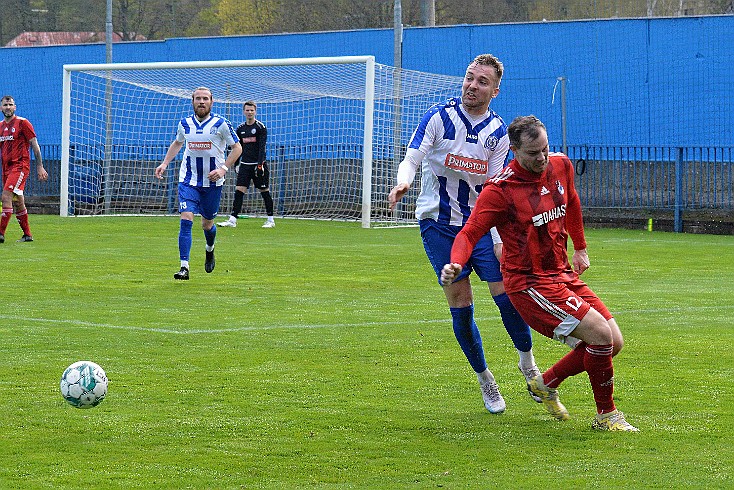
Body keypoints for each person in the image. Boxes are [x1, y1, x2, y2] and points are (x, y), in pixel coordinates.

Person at [441, 115, 638, 431]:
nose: (542, 158)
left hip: (560, 272)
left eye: (545, 149)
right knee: (599, 336)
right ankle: (607, 417)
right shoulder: (501, 190)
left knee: (613, 342)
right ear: (514, 150)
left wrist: (580, 247)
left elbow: (571, 200)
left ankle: (545, 384)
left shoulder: (560, 165)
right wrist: (456, 262)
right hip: (529, 283)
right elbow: (470, 231)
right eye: (534, 153)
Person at [388, 54, 543, 414]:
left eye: (482, 81)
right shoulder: (438, 118)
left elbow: (495, 187)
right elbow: (412, 157)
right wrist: (403, 182)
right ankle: (486, 379)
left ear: (495, 90)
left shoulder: (498, 133)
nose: (472, 85)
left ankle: (528, 364)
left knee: (507, 298)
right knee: (461, 305)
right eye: (470, 78)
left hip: (482, 227)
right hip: (438, 225)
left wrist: (501, 239)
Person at [154, 87, 242, 280]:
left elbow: (237, 148)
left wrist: (223, 169)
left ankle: (210, 248)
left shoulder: (221, 124)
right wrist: (165, 163)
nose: (201, 102)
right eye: (198, 99)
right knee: (186, 220)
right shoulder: (184, 124)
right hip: (188, 181)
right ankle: (184, 266)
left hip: (212, 184)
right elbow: (178, 143)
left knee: (206, 224)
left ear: (212, 101)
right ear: (192, 101)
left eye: (205, 99)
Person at [218, 100, 274, 228]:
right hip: (245, 165)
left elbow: (262, 148)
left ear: (255, 111)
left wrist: (260, 165)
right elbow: (238, 147)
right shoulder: (240, 129)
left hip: (258, 165)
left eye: (251, 110)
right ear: (244, 111)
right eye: (247, 110)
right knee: (239, 191)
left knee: (264, 191)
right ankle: (232, 220)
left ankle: (270, 220)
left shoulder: (260, 127)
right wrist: (236, 164)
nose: (249, 112)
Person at [0, 95, 48, 243]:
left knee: (6, 197)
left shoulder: (23, 123)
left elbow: (34, 144)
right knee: (18, 201)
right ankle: (27, 235)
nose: (8, 107)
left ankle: (0, 233)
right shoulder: (0, 126)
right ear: (1, 108)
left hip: (20, 167)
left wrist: (39, 165)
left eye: (10, 105)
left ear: (15, 107)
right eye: (5, 105)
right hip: (6, 169)